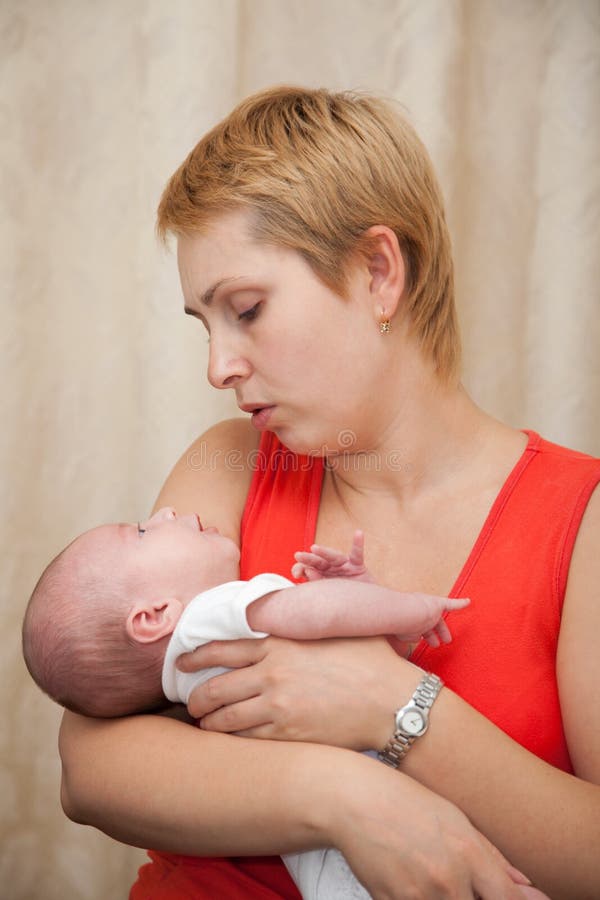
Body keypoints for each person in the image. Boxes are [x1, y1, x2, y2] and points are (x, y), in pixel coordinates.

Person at [57, 86, 600, 900]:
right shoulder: (235, 461)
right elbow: (90, 768)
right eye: (205, 324)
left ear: (379, 272)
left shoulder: (581, 518)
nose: (218, 367)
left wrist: (398, 709)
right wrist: (352, 799)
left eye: (246, 309)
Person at [24, 511, 469, 900]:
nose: (165, 512)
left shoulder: (181, 676)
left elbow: (354, 662)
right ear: (154, 616)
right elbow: (316, 614)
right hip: (383, 831)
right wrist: (411, 608)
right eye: (142, 531)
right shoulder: (206, 618)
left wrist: (361, 603)